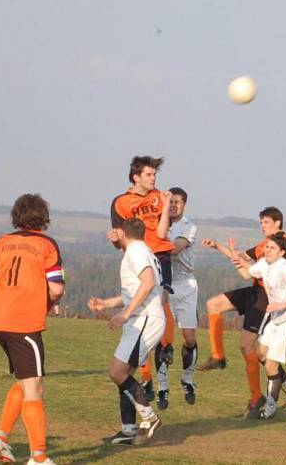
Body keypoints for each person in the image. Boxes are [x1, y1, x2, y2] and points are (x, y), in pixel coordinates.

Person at [0, 194, 65, 465]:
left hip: (0, 322)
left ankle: (1, 439)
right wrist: (47, 301)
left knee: (24, 381)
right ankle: (39, 457)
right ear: (42, 216)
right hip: (25, 323)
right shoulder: (46, 244)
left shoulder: (0, 242)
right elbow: (57, 289)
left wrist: (3, 299)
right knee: (35, 389)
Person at [198, 206, 286, 418]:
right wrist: (218, 246)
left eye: (266, 222)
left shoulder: (281, 242)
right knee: (213, 305)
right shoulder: (264, 245)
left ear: (278, 224)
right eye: (261, 222)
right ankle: (218, 356)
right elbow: (242, 260)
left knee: (251, 348)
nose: (262, 225)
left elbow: (267, 263)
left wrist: (245, 261)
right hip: (254, 291)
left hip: (265, 298)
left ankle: (259, 397)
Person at [87, 218, 165, 445]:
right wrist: (107, 304)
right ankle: (129, 429)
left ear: (121, 232)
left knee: (117, 372)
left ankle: (149, 418)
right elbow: (135, 291)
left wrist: (126, 313)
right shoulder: (143, 250)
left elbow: (148, 282)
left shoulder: (135, 251)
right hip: (143, 318)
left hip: (145, 319)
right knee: (124, 375)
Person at [109, 155, 174, 401]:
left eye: (154, 174)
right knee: (139, 301)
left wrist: (167, 207)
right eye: (148, 174)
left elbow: (161, 232)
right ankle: (145, 373)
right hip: (137, 254)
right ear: (136, 177)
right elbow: (120, 241)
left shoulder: (159, 196)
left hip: (158, 254)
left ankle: (165, 348)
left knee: (161, 296)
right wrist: (116, 240)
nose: (153, 178)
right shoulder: (121, 202)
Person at [232, 233, 286, 420]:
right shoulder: (264, 264)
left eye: (272, 248)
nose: (267, 250)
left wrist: (281, 305)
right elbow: (246, 274)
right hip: (274, 318)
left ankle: (269, 408)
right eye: (266, 247)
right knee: (260, 353)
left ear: (282, 253)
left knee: (270, 365)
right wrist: (234, 258)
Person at [155, 187, 199, 409]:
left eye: (177, 202)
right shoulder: (158, 222)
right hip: (163, 285)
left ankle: (188, 379)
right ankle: (162, 387)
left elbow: (175, 249)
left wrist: (156, 243)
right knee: (163, 337)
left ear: (184, 205)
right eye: (169, 201)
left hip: (186, 285)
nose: (173, 205)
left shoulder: (188, 226)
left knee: (189, 338)